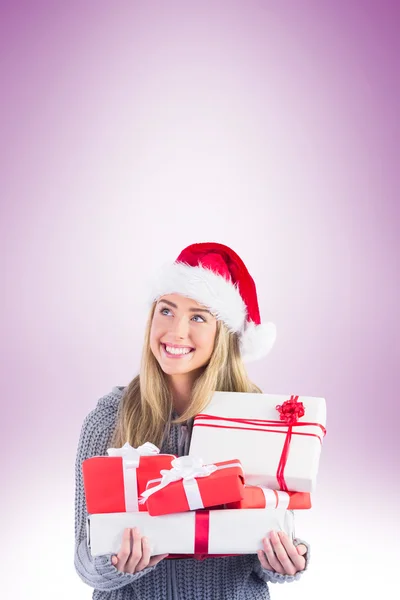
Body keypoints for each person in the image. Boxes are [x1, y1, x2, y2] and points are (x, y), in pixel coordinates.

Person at [74, 242, 310, 599]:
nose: (176, 331)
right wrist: (114, 564)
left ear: (224, 336)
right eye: (166, 311)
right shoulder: (108, 421)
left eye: (198, 317)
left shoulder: (255, 420)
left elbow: (270, 530)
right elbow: (83, 559)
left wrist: (283, 559)